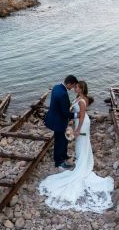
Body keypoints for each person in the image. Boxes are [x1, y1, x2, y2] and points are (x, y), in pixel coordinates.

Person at [39, 81, 114, 213]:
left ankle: (83, 164)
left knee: (81, 142)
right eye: (74, 86)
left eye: (76, 87)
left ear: (81, 88)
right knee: (80, 144)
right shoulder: (78, 98)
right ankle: (81, 160)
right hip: (79, 122)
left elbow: (83, 114)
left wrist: (78, 129)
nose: (74, 88)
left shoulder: (82, 100)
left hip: (82, 124)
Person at [44, 75, 77, 169]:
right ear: (69, 83)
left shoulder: (56, 87)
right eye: (73, 86)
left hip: (54, 117)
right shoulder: (63, 94)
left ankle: (64, 155)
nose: (73, 88)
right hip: (58, 121)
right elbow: (65, 112)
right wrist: (76, 115)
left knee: (63, 139)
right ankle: (59, 162)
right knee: (60, 141)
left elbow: (58, 105)